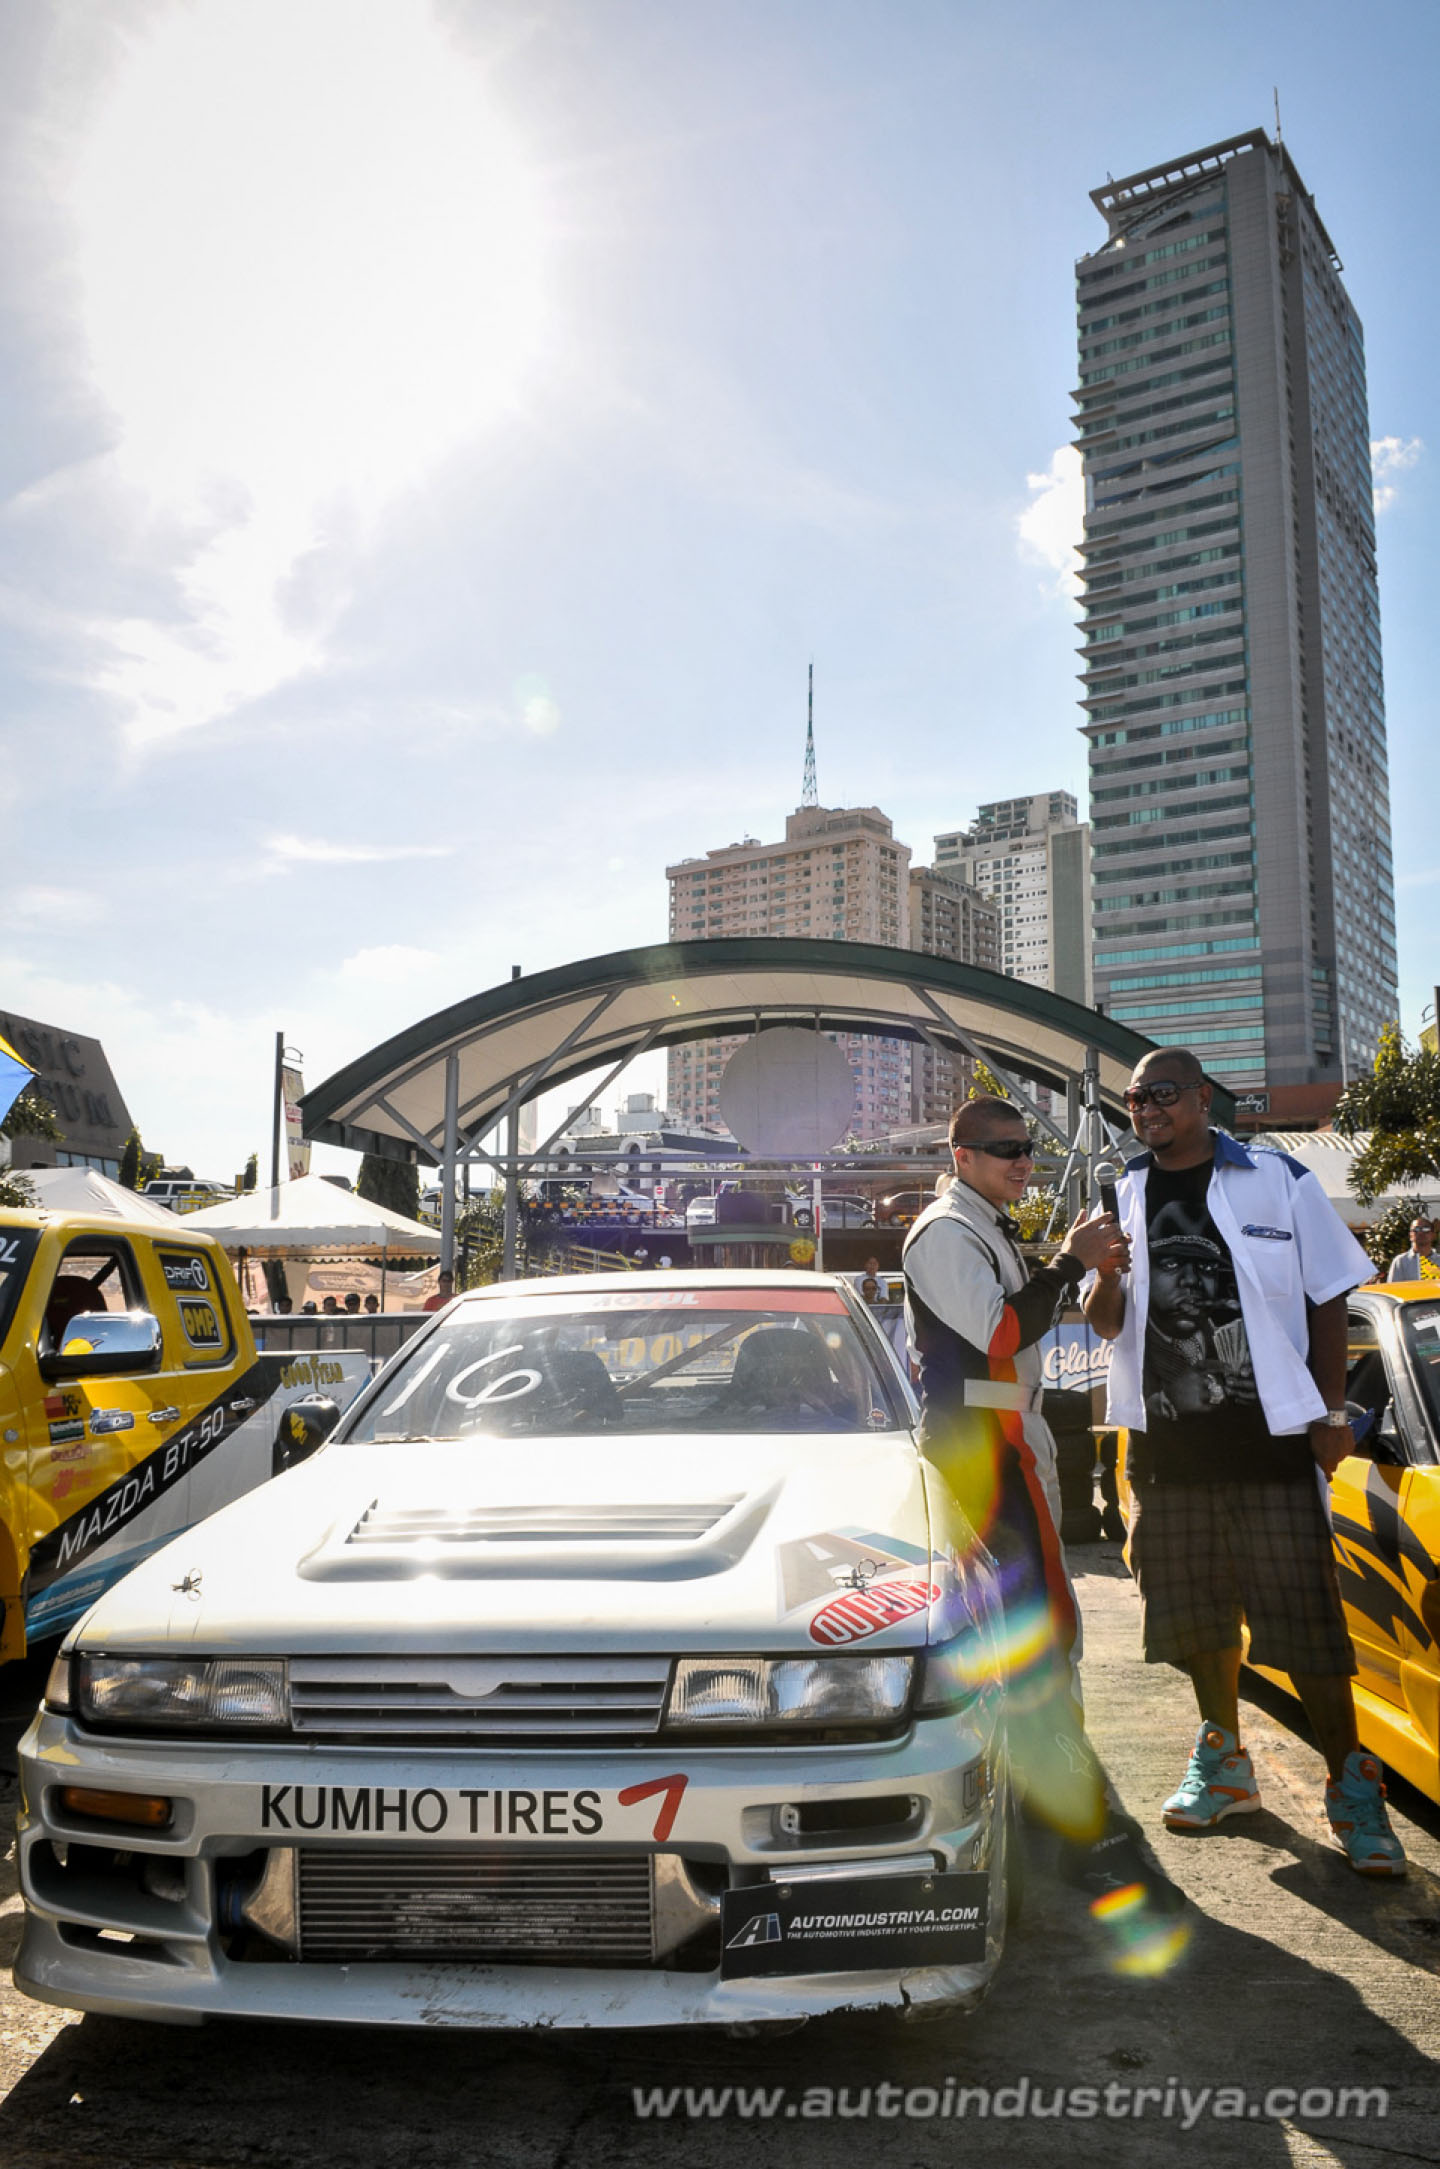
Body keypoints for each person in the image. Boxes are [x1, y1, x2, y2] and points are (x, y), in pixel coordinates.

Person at [1083, 1046, 1405, 1877]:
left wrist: (1333, 1411)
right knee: (1195, 1615)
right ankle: (1225, 1764)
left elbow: (1329, 1292)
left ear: (1198, 1098)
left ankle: (1351, 1787)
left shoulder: (1276, 1176)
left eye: (1158, 1093)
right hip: (1165, 1445)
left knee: (1307, 1624)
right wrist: (1100, 1271)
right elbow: (1108, 1323)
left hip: (1268, 1440)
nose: (1143, 1108)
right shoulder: (1123, 1188)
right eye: (1131, 1098)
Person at [902, 1097, 1177, 1920]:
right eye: (1003, 1149)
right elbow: (997, 1337)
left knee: (1034, 1631)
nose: (1022, 1161)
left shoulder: (977, 1220)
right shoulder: (946, 1230)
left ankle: (1048, 1813)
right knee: (1034, 1630)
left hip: (1002, 1437)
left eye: (1026, 1148)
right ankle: (1071, 1830)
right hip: (981, 1448)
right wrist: (1066, 1261)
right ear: (960, 1153)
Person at [1387, 1216, 1439, 1282]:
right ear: (1410, 1235)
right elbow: (1393, 1289)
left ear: (1433, 1235)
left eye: (1426, 1229)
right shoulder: (1400, 1262)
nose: (1421, 1233)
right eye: (1416, 1229)